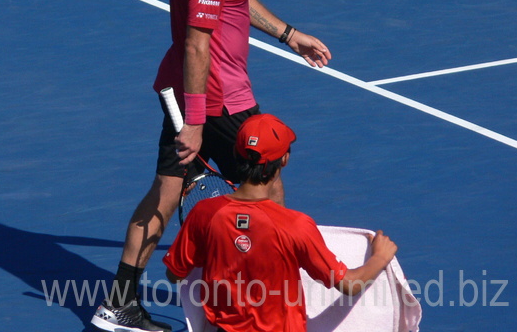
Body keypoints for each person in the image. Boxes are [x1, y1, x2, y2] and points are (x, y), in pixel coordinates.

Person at [91, 0, 332, 332]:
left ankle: (117, 304)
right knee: (268, 191)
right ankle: (265, 304)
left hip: (188, 92)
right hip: (218, 99)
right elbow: (197, 45)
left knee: (163, 197)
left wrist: (289, 35)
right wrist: (198, 123)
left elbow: (237, 1)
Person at [163, 113, 399, 332]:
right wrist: (380, 256)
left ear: (236, 154)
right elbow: (349, 284)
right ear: (284, 160)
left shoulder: (204, 213)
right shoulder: (296, 225)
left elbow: (174, 274)